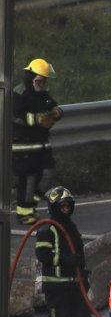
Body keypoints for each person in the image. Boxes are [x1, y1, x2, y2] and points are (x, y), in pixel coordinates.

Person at [12, 58, 62, 224]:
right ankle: (24, 213)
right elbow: (14, 116)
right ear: (31, 77)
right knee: (28, 178)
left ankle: (31, 204)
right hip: (23, 145)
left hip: (42, 144)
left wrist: (56, 112)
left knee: (47, 174)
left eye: (44, 80)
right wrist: (37, 119)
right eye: (39, 79)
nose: (42, 83)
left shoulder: (42, 93)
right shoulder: (19, 93)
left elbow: (53, 105)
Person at [36, 186, 89, 317]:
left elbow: (79, 254)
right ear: (54, 207)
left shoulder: (71, 227)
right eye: (62, 205)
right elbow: (42, 255)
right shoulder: (47, 229)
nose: (66, 209)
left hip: (75, 285)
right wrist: (66, 260)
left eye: (68, 205)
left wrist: (83, 273)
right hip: (57, 287)